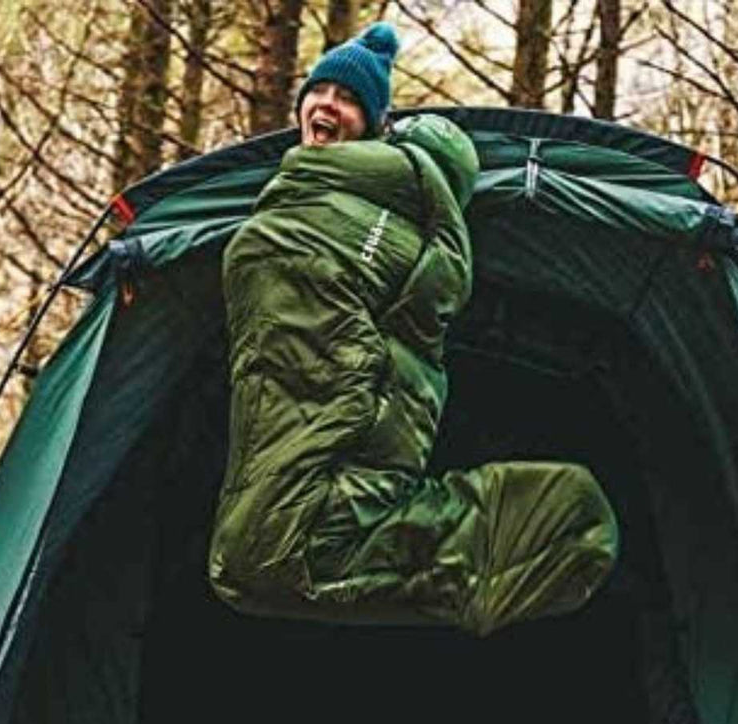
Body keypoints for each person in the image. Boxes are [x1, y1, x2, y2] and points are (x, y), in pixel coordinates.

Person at [209, 22, 620, 636]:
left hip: (345, 421)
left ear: (375, 126)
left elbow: (364, 335)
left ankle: (490, 536)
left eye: (347, 99)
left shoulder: (385, 203)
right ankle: (469, 547)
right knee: (252, 562)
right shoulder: (320, 193)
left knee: (261, 558)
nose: (326, 105)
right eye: (317, 93)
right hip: (312, 420)